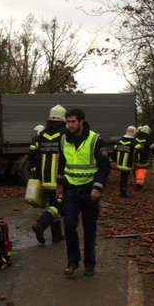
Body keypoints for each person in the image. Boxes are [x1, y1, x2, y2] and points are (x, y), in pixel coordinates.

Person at [56, 107, 110, 277]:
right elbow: (61, 163)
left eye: (73, 122)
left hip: (89, 190)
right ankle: (72, 261)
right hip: (71, 190)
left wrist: (97, 186)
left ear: (81, 121)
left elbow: (104, 165)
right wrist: (59, 185)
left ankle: (89, 263)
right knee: (69, 224)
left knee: (89, 228)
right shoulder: (63, 139)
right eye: (68, 122)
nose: (70, 125)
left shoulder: (95, 140)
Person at [29, 104, 67, 245]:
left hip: (45, 179)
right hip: (59, 179)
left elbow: (35, 157)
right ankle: (41, 225)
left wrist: (37, 175)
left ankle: (56, 235)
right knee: (60, 206)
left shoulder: (41, 135)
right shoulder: (65, 135)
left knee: (53, 205)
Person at [113, 125, 139, 198]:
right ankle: (123, 193)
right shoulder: (134, 142)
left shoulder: (119, 140)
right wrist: (136, 161)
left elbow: (114, 151)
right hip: (128, 164)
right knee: (124, 178)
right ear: (134, 132)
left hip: (120, 163)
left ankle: (122, 191)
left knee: (123, 177)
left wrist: (115, 160)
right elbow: (136, 153)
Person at [134, 125, 154, 190]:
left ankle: (138, 182)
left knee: (137, 170)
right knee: (141, 171)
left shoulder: (136, 136)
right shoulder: (149, 138)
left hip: (135, 158)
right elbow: (153, 148)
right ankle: (139, 185)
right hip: (144, 158)